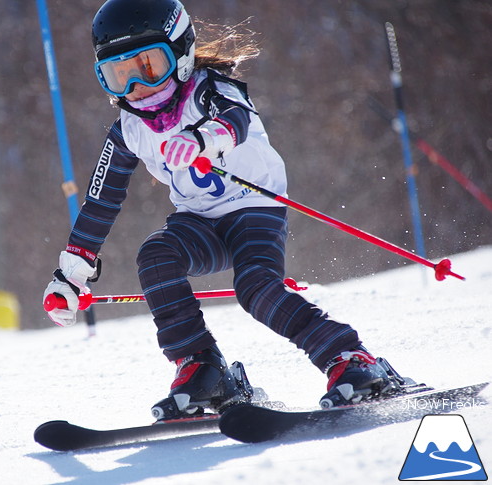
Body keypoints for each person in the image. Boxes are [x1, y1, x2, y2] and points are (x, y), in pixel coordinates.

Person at [44, 0, 408, 418]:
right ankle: (202, 368)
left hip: (253, 209)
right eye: (117, 75)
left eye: (147, 67)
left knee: (255, 287)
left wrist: (203, 139)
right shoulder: (129, 127)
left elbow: (235, 119)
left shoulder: (210, 88)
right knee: (156, 256)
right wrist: (70, 273)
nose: (135, 88)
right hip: (198, 220)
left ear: (179, 54)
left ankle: (351, 359)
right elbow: (101, 199)